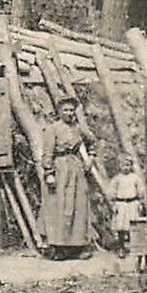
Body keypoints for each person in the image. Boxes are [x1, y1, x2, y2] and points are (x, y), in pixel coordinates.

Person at [40, 96, 97, 260]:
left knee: (79, 206)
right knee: (59, 207)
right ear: (59, 112)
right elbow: (47, 153)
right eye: (66, 110)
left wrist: (91, 158)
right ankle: (59, 247)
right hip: (60, 169)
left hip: (76, 169)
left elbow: (92, 142)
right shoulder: (53, 129)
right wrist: (49, 173)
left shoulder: (78, 128)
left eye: (72, 110)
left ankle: (79, 246)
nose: (69, 113)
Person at [109, 155, 145, 255]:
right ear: (120, 166)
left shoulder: (135, 178)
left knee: (133, 226)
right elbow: (112, 192)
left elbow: (141, 191)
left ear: (131, 166)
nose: (126, 167)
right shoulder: (117, 179)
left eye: (128, 165)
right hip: (121, 204)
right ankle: (121, 247)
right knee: (121, 227)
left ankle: (135, 247)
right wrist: (113, 204)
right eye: (123, 165)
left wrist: (140, 202)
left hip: (132, 203)